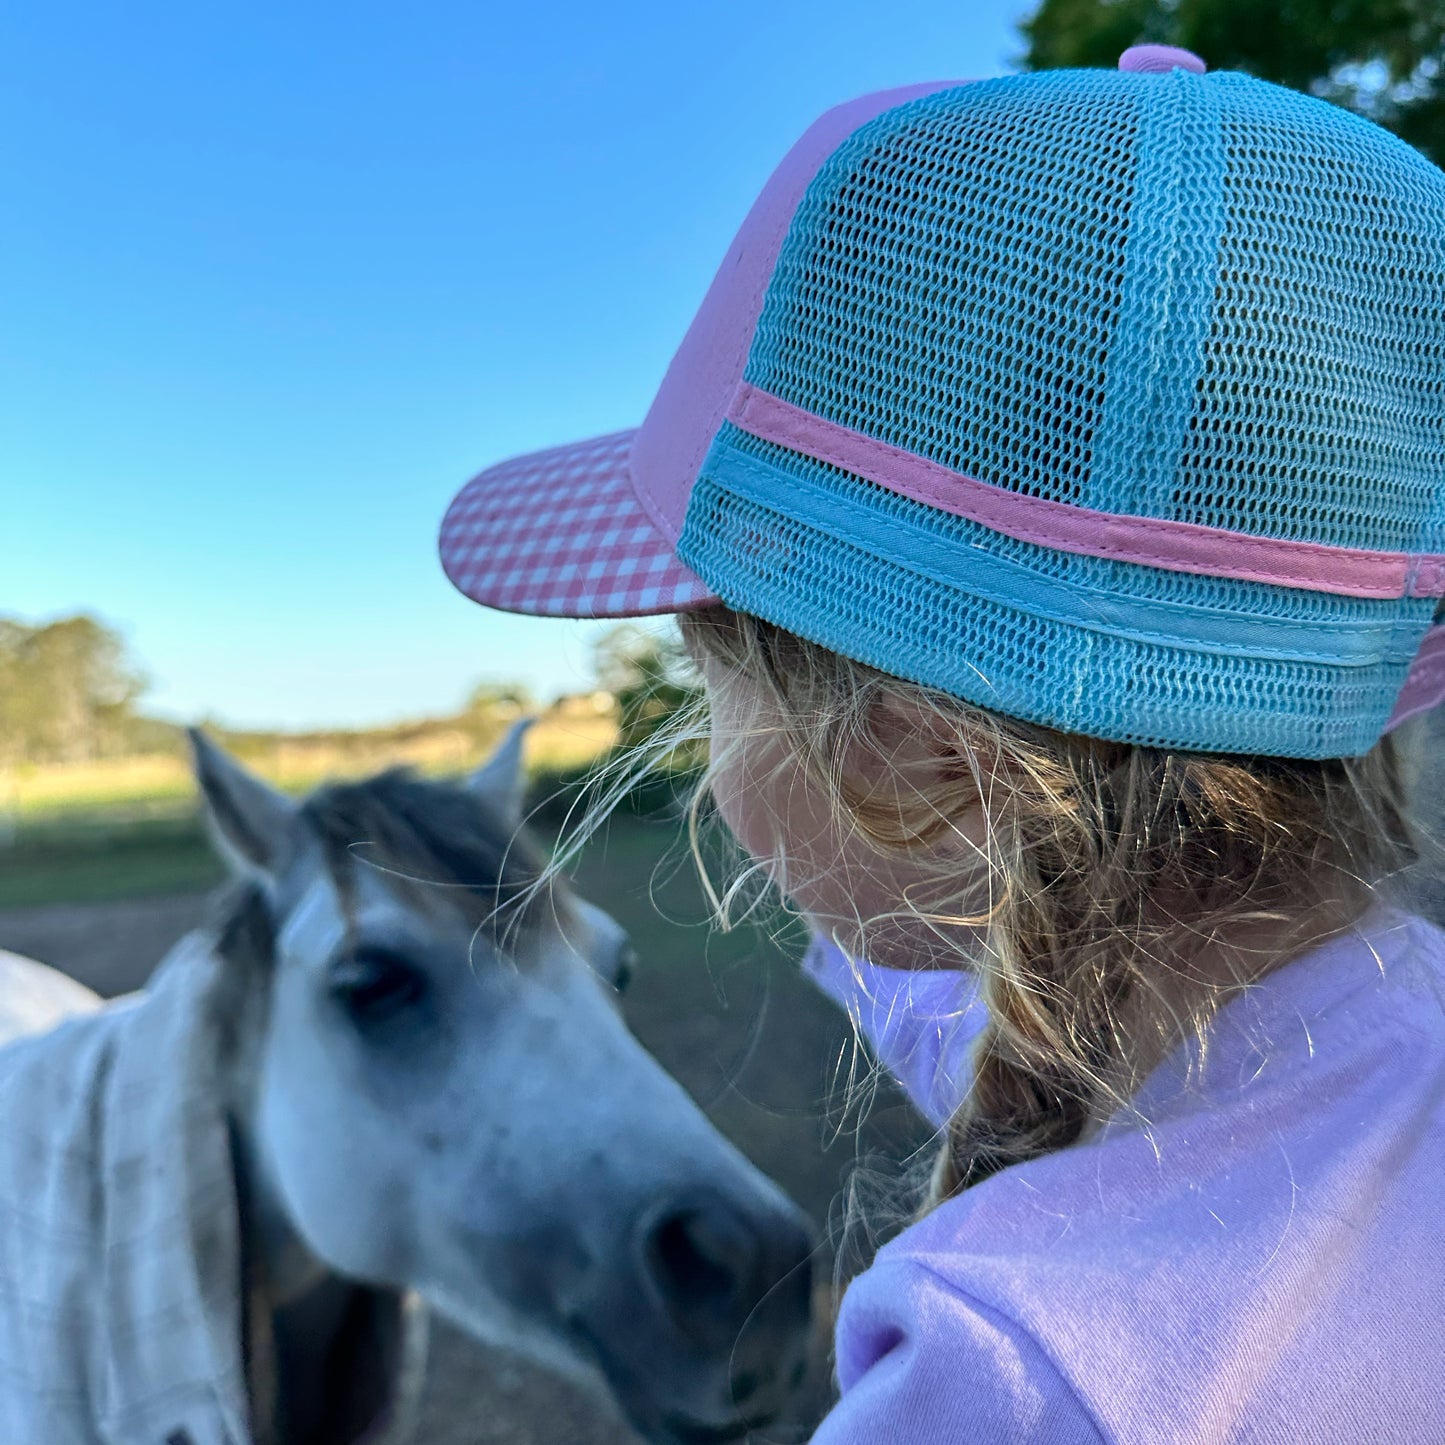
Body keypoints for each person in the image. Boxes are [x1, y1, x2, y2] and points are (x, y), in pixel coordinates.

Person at [436, 44, 1445, 1442]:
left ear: (911, 761)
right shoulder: (1398, 1032)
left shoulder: (998, 1376)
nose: (707, 752)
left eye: (708, 681)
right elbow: (1011, 957)